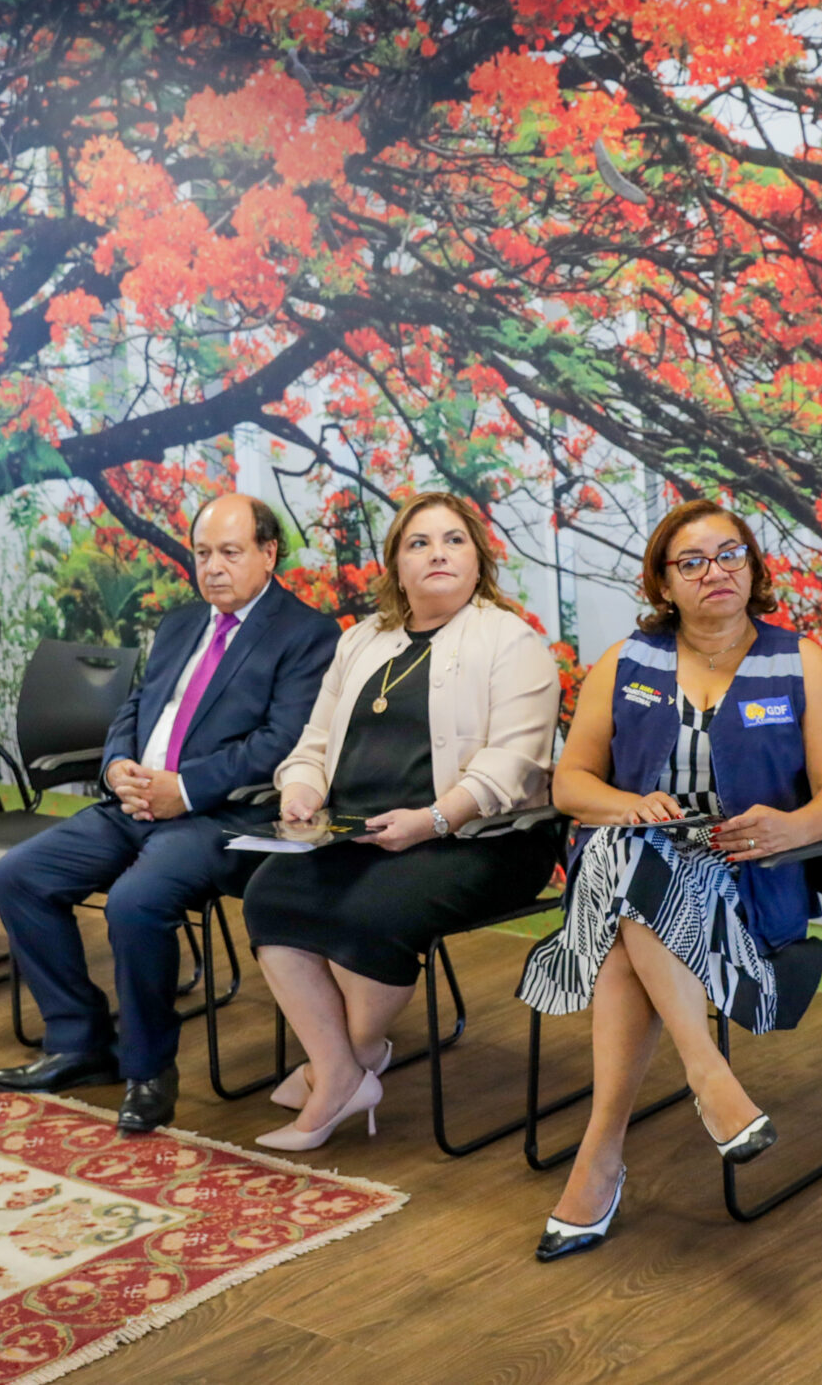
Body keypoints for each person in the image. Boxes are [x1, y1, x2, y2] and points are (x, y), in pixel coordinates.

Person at [516, 501, 822, 1259]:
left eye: (730, 553)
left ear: (754, 567)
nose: (717, 571)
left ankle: (601, 1154)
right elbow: (572, 783)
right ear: (664, 584)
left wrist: (792, 826)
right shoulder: (625, 662)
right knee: (632, 854)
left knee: (620, 912)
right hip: (637, 865)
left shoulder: (802, 663)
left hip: (749, 878)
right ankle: (707, 1079)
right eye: (694, 561)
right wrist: (631, 804)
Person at [0, 494, 339, 1134]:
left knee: (133, 903)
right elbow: (138, 707)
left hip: (221, 818)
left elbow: (281, 743)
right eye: (202, 554)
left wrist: (187, 788)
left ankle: (149, 1069)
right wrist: (116, 764)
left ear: (268, 554)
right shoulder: (180, 624)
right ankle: (78, 1041)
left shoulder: (307, 634)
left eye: (230, 553)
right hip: (135, 802)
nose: (213, 568)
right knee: (20, 875)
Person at [242, 492, 563, 1153]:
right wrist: (300, 790)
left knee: (374, 911)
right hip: (360, 830)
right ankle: (341, 1068)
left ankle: (341, 1064)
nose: (437, 553)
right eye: (419, 543)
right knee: (269, 893)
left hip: (484, 840)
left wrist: (432, 819)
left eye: (454, 540)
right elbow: (314, 739)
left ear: (479, 559)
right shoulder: (361, 639)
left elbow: (511, 765)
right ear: (395, 563)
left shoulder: (513, 641)